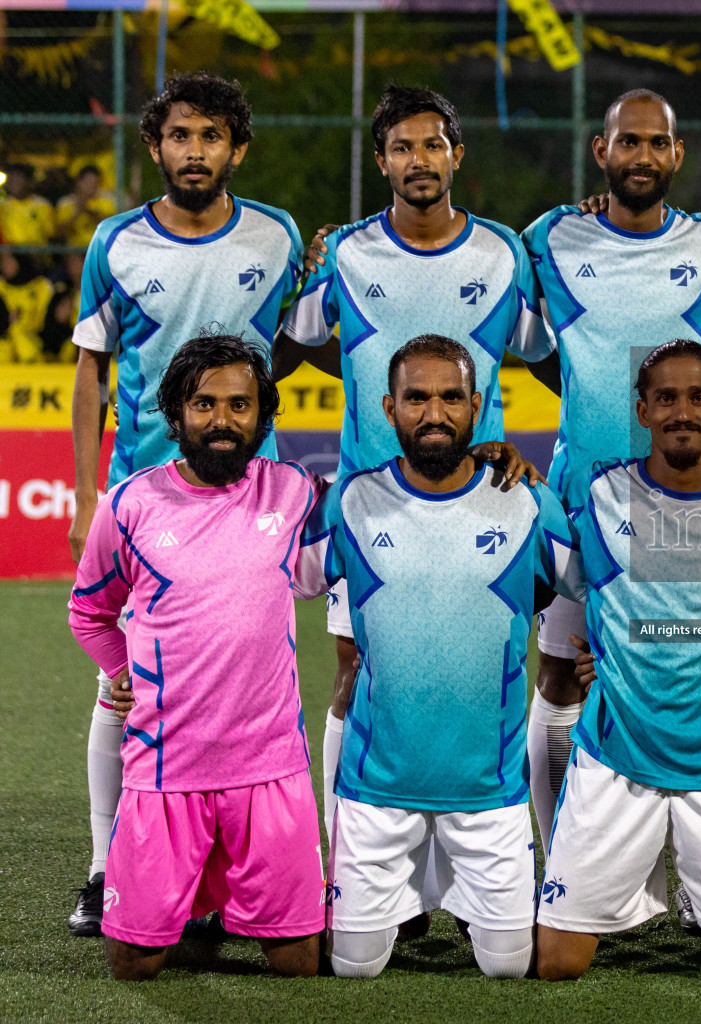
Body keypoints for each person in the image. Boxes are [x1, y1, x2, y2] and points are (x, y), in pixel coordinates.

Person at [274, 85, 552, 855]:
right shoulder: (350, 252)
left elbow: (543, 352)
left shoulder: (502, 253)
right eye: (402, 147)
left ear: (456, 154)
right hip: (373, 504)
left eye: (432, 145)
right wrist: (310, 265)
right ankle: (340, 857)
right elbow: (298, 340)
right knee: (359, 668)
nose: (418, 160)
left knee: (487, 666)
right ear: (381, 161)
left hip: (485, 502)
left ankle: (494, 851)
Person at [64, 71, 305, 939]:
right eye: (178, 135)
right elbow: (91, 365)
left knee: (243, 685)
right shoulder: (115, 242)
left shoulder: (279, 237)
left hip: (249, 506)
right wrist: (89, 492)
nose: (193, 150)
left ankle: (225, 871)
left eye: (210, 135)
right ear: (155, 146)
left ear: (237, 147)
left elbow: (299, 337)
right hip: (142, 499)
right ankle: (105, 868)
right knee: (121, 686)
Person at [517, 89, 701, 863]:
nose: (641, 157)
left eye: (655, 144)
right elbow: (521, 323)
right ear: (602, 152)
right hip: (581, 501)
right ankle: (558, 853)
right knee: (561, 678)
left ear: (677, 153)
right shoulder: (550, 238)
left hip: (690, 503)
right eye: (627, 143)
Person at [67, 334, 328, 980]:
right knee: (132, 961)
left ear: (262, 417)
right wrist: (122, 671)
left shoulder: (294, 493)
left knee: (297, 962)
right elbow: (90, 612)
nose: (221, 421)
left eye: (239, 406)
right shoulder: (128, 504)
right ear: (176, 414)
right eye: (204, 404)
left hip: (271, 771)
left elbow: (391, 491)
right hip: (164, 771)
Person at [321, 336, 577, 980]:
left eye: (450, 397)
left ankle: (469, 899)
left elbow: (603, 591)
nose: (434, 412)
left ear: (478, 404)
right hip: (375, 792)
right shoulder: (350, 503)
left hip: (489, 793)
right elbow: (266, 585)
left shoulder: (526, 502)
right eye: (416, 397)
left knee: (510, 967)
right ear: (388, 407)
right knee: (354, 968)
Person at [537, 341, 701, 983]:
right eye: (666, 398)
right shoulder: (600, 493)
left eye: (699, 396)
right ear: (642, 410)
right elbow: (565, 577)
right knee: (557, 964)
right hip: (614, 761)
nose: (682, 410)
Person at [0, 252, 55, 363]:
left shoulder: (41, 286)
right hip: (6, 340)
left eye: (8, 261)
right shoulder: (1, 287)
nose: (3, 266)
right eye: (2, 262)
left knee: (28, 352)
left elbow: (47, 322)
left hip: (33, 340)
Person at [55, 166, 116, 248]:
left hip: (100, 249)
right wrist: (77, 214)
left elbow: (111, 228)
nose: (91, 187)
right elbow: (59, 233)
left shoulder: (107, 201)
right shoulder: (66, 203)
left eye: (95, 183)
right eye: (87, 183)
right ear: (78, 182)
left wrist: (90, 213)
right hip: (75, 250)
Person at [0, 162, 56, 246]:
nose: (14, 183)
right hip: (10, 253)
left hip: (37, 253)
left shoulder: (42, 205)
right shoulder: (3, 206)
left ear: (30, 182)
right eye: (11, 178)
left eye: (18, 179)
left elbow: (51, 234)